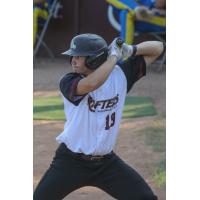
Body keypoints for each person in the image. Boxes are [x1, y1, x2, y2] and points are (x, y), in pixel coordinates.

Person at [33, 33, 165, 200]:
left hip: (106, 164)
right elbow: (92, 83)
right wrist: (112, 59)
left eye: (79, 56)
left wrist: (130, 50)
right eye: (73, 56)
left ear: (94, 60)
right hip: (70, 162)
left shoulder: (121, 75)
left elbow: (158, 48)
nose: (73, 60)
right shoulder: (68, 81)